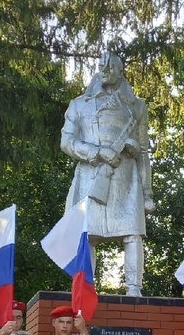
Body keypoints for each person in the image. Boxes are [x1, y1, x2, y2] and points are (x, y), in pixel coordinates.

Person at [61, 51, 154, 297]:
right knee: (88, 234)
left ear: (120, 70)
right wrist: (96, 151)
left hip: (126, 176)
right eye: (100, 65)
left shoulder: (137, 107)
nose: (104, 70)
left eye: (110, 66)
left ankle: (134, 290)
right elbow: (67, 142)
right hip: (91, 175)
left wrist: (147, 191)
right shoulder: (79, 104)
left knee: (133, 233)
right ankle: (85, 289)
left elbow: (143, 152)